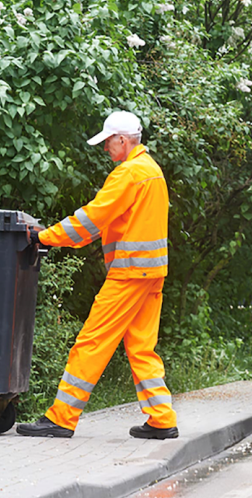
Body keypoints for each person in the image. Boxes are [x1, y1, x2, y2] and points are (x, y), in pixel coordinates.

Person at [17, 110, 178, 439]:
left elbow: (92, 218)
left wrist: (44, 236)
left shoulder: (129, 173)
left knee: (91, 342)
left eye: (107, 142)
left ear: (122, 139)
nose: (106, 149)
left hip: (129, 274)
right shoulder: (152, 171)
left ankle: (62, 417)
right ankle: (161, 419)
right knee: (141, 347)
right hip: (152, 274)